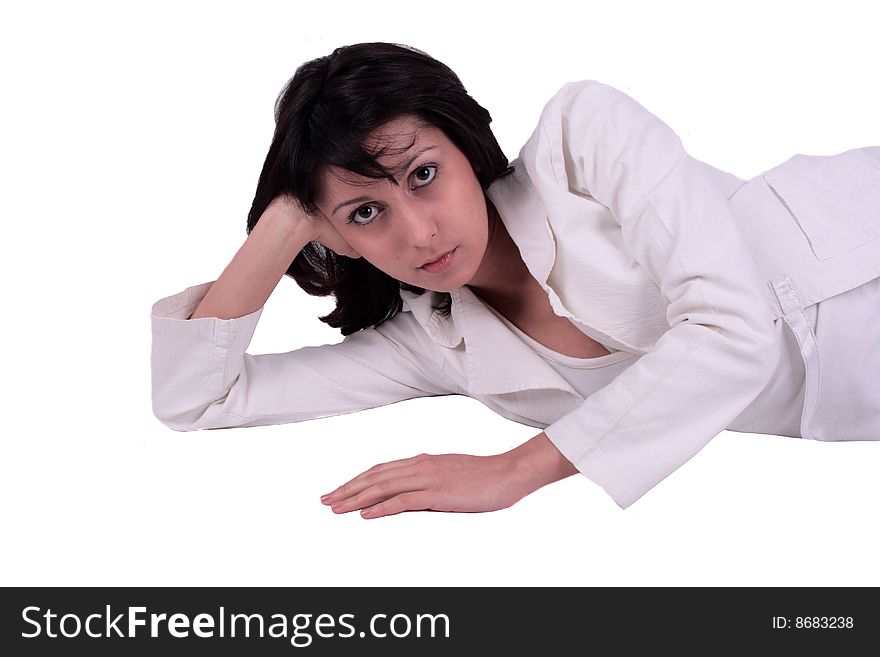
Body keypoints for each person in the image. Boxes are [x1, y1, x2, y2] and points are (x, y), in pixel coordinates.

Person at [151, 42, 880, 516]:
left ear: (465, 145)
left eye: (424, 174)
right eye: (367, 211)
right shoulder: (434, 346)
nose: (420, 231)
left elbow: (734, 325)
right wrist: (282, 224)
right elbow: (193, 397)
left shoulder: (582, 138)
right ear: (339, 234)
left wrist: (516, 470)